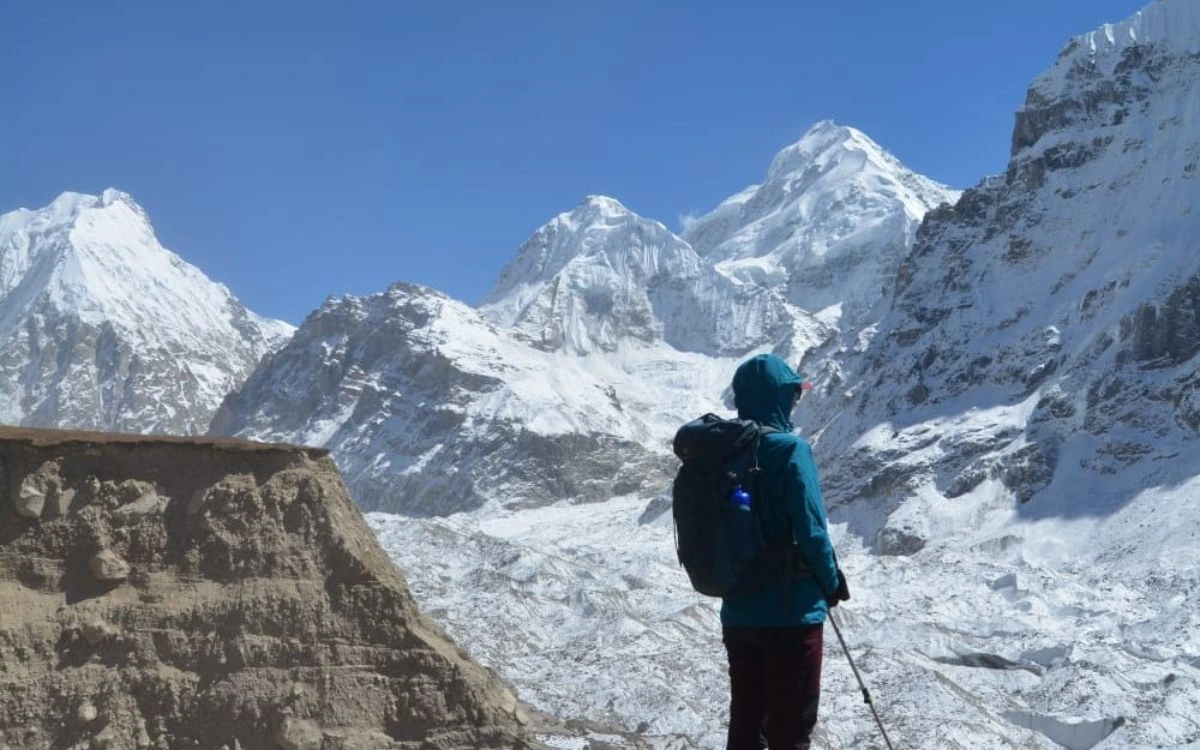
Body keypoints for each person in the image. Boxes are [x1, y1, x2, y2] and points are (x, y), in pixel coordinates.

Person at [721, 353, 849, 750]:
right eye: (793, 395)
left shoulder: (721, 450)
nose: (796, 403)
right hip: (791, 616)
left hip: (738, 614)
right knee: (789, 732)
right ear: (778, 398)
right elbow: (811, 532)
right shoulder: (791, 451)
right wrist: (832, 585)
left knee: (745, 727)